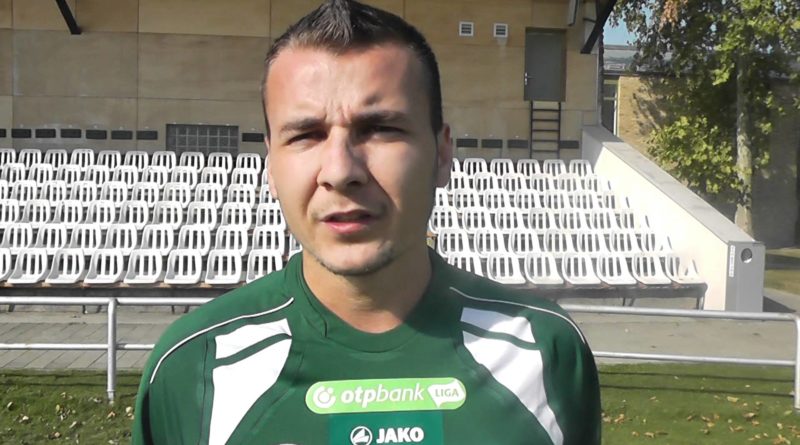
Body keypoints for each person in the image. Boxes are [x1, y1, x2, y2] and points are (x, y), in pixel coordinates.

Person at [132, 0, 601, 443]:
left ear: (442, 154)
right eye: (306, 135)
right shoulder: (193, 367)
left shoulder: (546, 350)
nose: (340, 171)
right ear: (271, 166)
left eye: (380, 129)